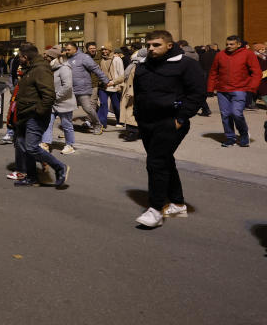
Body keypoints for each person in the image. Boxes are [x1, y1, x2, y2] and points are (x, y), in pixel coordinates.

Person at [132, 30, 205, 227]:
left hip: (170, 122)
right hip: (147, 122)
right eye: (148, 45)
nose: (151, 49)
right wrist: (138, 116)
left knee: (155, 162)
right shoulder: (144, 65)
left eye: (156, 45)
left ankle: (155, 210)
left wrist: (181, 118)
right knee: (164, 161)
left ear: (169, 45)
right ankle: (178, 203)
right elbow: (138, 92)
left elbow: (197, 93)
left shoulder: (186, 64)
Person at [11, 43, 69, 188]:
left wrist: (38, 112)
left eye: (20, 57)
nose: (19, 59)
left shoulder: (41, 69)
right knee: (23, 145)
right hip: (25, 114)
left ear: (25, 56)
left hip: (34, 116)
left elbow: (49, 95)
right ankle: (31, 177)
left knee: (31, 147)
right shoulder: (30, 68)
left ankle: (60, 167)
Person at [207, 35, 260, 147]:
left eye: (231, 44)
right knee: (225, 115)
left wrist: (252, 88)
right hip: (222, 90)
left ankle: (244, 134)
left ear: (239, 44)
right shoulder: (220, 55)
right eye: (227, 44)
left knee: (236, 113)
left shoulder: (248, 54)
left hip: (239, 89)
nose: (228, 46)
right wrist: (210, 88)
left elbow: (256, 71)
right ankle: (230, 137)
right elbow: (213, 72)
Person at [63, 42, 110, 135]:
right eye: (66, 50)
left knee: (87, 107)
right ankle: (68, 129)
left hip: (83, 88)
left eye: (68, 50)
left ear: (75, 49)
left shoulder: (84, 57)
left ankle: (97, 124)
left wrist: (106, 80)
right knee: (67, 108)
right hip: (71, 89)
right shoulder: (67, 59)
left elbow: (95, 69)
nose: (66, 51)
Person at [41, 47, 76, 155]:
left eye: (48, 56)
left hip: (64, 102)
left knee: (66, 125)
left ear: (54, 57)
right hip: (53, 102)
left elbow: (67, 87)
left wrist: (55, 97)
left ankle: (70, 145)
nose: (45, 57)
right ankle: (45, 143)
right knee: (47, 123)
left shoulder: (64, 68)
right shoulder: (51, 68)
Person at [98, 45, 125, 126]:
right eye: (102, 50)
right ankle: (102, 122)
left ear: (110, 50)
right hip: (103, 85)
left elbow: (121, 73)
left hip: (114, 85)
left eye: (106, 49)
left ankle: (120, 121)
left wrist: (120, 85)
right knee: (103, 104)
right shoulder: (101, 59)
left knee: (116, 105)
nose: (104, 51)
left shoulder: (117, 59)